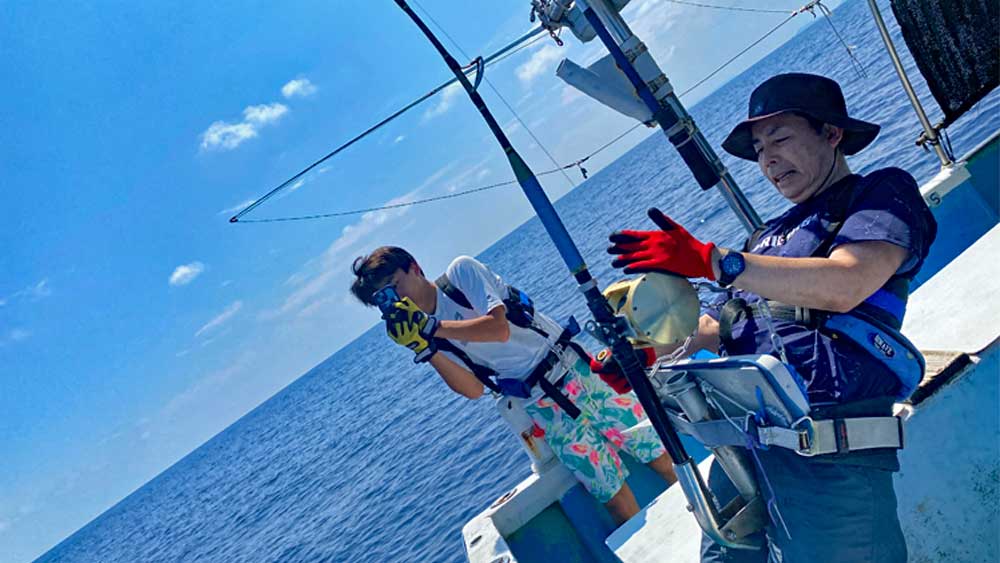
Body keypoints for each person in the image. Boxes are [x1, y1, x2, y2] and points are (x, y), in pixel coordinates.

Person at [606, 73, 936, 562]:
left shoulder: (881, 192)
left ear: (831, 133)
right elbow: (721, 324)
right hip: (743, 447)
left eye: (779, 138)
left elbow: (847, 284)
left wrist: (717, 262)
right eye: (758, 149)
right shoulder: (766, 236)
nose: (767, 159)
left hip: (829, 452)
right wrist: (643, 353)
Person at [349, 247, 677, 525]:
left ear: (415, 268)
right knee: (612, 497)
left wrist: (433, 327)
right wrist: (424, 348)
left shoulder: (460, 274)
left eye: (395, 285)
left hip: (575, 371)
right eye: (385, 298)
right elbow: (474, 389)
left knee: (658, 453)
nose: (397, 299)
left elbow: (498, 328)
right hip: (540, 404)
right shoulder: (431, 333)